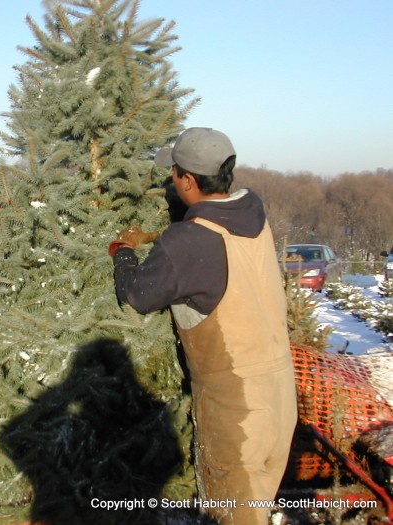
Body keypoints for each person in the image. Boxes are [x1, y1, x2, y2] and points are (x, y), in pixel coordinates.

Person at [109, 127, 297, 525]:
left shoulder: (188, 244)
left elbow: (139, 295)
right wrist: (159, 235)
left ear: (188, 181)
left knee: (233, 515)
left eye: (175, 173)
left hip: (237, 408)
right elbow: (206, 237)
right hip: (280, 391)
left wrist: (123, 252)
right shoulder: (252, 210)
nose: (172, 180)